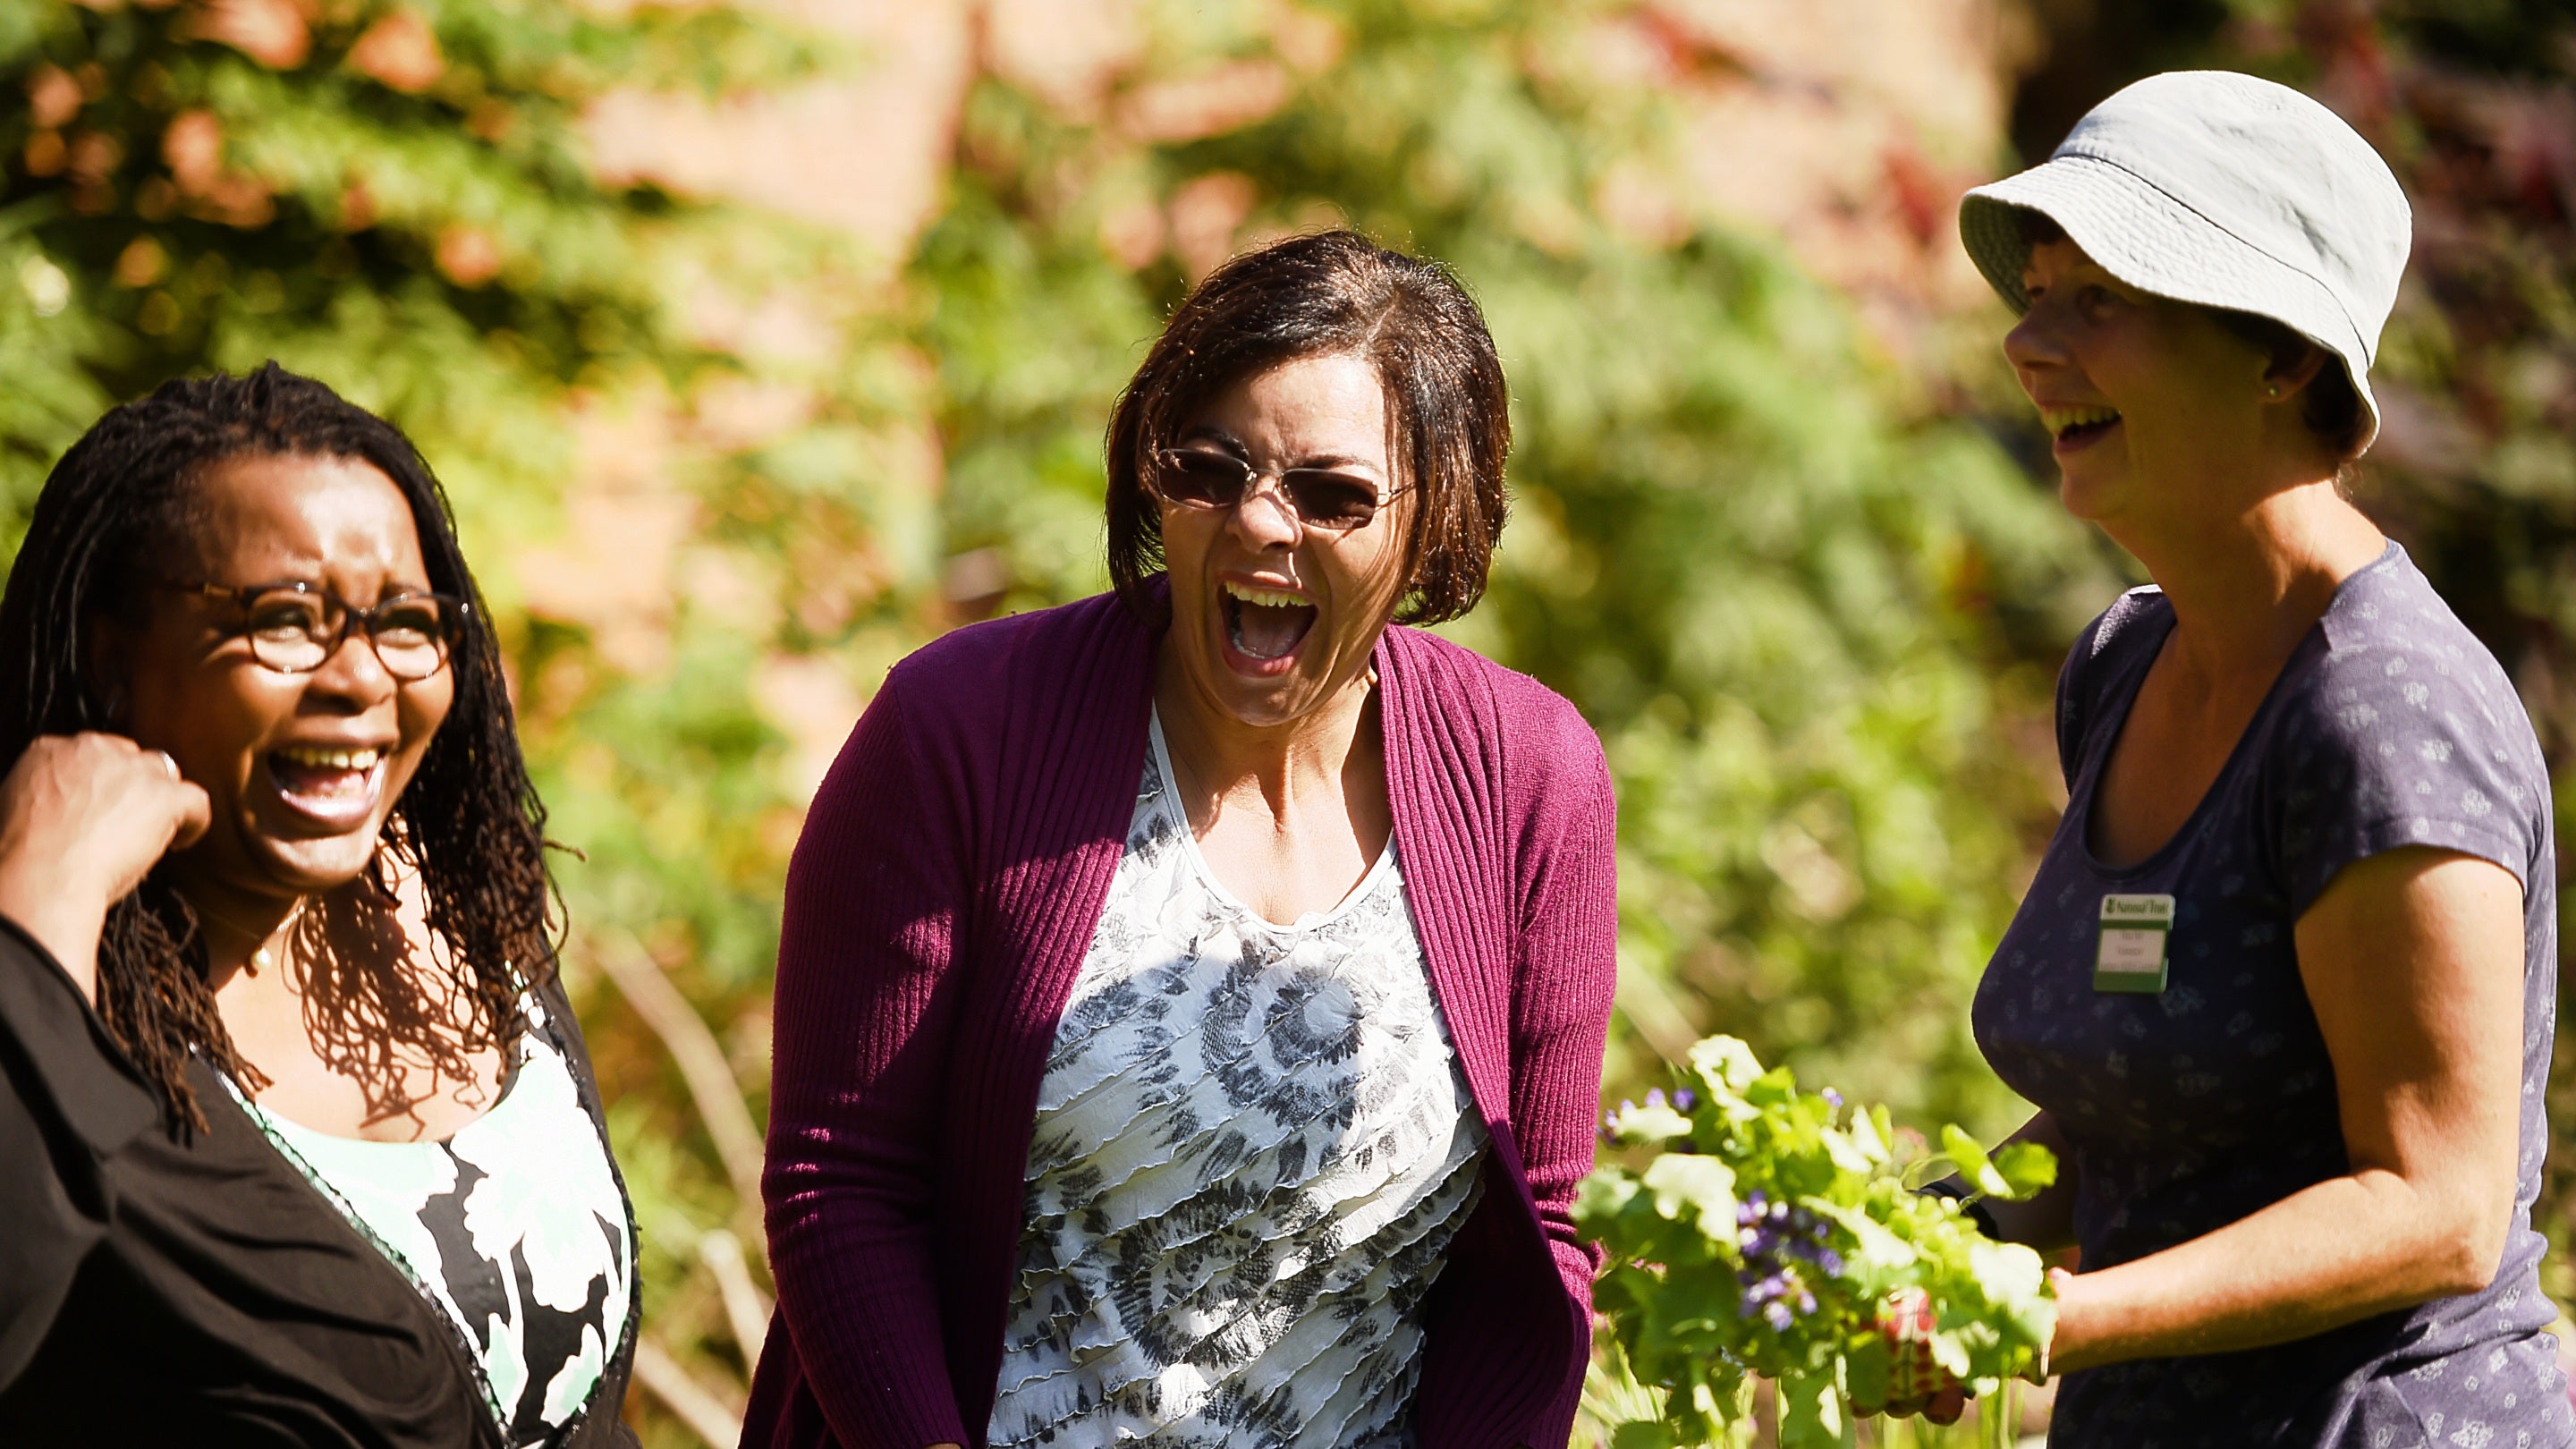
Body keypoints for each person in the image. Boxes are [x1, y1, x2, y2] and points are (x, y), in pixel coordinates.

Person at [745, 231, 1618, 1449]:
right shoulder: (959, 731)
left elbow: (1543, 1222)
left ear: (1435, 525)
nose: (1262, 522)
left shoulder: (1532, 781)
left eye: (1332, 494)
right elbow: (843, 1184)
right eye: (1210, 470)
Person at [1928, 71, 2571, 1445]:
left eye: (2098, 297)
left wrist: (2043, 1320)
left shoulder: (2384, 710)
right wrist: (1921, 1244)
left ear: (2282, 355)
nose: (2028, 344)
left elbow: (2435, 1207)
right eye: (2033, 295)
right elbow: (2153, 1120)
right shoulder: (2126, 662)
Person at [0, 365, 640, 1447]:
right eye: (286, 618)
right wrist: (42, 894)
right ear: (112, 657)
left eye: (403, 620)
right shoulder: (47, 962)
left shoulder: (457, 909)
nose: (359, 678)